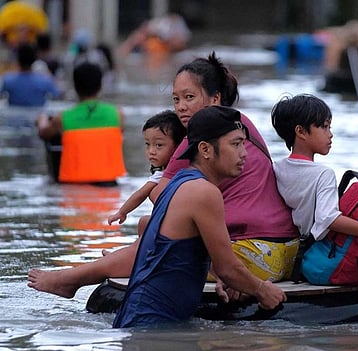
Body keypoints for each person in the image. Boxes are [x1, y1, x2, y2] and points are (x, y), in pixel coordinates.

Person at [27, 52, 298, 300]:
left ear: (215, 99)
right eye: (176, 99)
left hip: (258, 252)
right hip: (283, 250)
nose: (181, 107)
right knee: (149, 228)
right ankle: (102, 266)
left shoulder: (200, 137)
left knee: (155, 235)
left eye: (190, 98)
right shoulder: (241, 123)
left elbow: (167, 204)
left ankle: (72, 278)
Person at [113, 106, 286, 327]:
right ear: (205, 149)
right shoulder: (204, 193)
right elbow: (229, 269)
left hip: (141, 322)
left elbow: (183, 253)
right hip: (153, 331)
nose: (244, 153)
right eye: (235, 144)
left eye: (243, 143)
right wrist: (263, 290)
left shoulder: (181, 182)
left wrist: (222, 276)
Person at [270, 94, 358, 280]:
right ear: (300, 131)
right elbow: (328, 219)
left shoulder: (276, 168)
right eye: (324, 127)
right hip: (318, 254)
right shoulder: (323, 174)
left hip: (291, 249)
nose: (330, 134)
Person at [36, 62, 126, 185]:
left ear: (75, 86)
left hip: (73, 186)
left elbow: (43, 133)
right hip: (109, 186)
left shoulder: (62, 118)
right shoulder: (117, 115)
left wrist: (42, 120)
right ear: (100, 86)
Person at [107, 110, 185, 235]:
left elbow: (140, 194)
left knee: (144, 222)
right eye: (148, 144)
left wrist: (122, 212)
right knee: (144, 222)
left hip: (177, 228)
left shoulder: (165, 174)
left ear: (178, 146)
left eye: (159, 145)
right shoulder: (163, 173)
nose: (151, 151)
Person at [0, 42, 61, 106]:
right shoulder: (45, 80)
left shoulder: (8, 79)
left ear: (18, 59)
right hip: (37, 115)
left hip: (13, 115)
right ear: (34, 59)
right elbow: (56, 94)